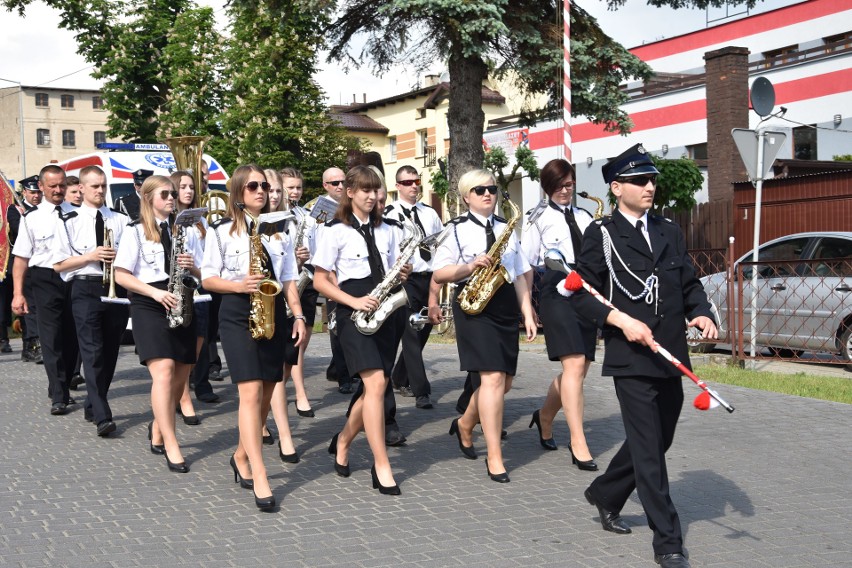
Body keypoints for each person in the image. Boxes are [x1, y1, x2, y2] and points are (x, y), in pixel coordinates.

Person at [571, 144, 717, 568]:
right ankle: (668, 543)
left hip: (671, 352)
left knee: (659, 439)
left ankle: (605, 493)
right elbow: (580, 294)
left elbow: (688, 282)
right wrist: (619, 320)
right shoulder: (600, 234)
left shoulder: (668, 229)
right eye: (639, 180)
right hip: (631, 356)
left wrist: (702, 312)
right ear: (617, 188)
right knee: (650, 451)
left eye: (652, 179)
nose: (649, 186)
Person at [201, 164, 305, 511]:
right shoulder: (221, 231)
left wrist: (300, 315)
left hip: (273, 310)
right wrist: (237, 285)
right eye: (252, 187)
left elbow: (289, 277)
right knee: (248, 392)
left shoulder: (280, 231)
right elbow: (208, 278)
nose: (260, 191)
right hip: (235, 311)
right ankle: (259, 473)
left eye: (264, 186)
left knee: (268, 391)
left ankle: (241, 455)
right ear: (238, 192)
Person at [432, 169, 537, 483]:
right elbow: (439, 273)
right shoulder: (453, 230)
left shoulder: (507, 228)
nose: (488, 193)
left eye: (491, 189)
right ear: (466, 197)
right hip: (473, 305)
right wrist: (469, 265)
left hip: (504, 304)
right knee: (491, 379)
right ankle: (495, 455)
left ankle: (465, 423)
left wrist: (528, 312)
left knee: (504, 383)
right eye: (479, 190)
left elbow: (519, 274)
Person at [312, 165, 409, 495]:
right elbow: (320, 280)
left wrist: (403, 275)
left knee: (373, 390)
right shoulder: (333, 230)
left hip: (386, 312)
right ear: (349, 192)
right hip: (355, 315)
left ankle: (342, 441)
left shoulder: (390, 229)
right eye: (365, 190)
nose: (372, 196)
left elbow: (396, 271)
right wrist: (352, 301)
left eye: (375, 190)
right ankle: (381, 464)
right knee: (377, 382)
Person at [114, 175, 202, 472]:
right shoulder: (135, 232)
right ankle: (171, 441)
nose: (171, 198)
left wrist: (195, 267)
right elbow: (121, 275)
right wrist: (154, 292)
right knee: (163, 371)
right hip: (149, 302)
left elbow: (205, 273)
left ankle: (157, 425)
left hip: (181, 299)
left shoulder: (184, 231)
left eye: (173, 193)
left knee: (181, 373)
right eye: (165, 193)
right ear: (149, 198)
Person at [521, 158, 598, 469]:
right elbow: (525, 267)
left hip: (586, 291)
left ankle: (545, 415)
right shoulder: (535, 219)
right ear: (547, 187)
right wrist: (527, 309)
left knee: (580, 369)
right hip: (556, 291)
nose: (565, 190)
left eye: (569, 184)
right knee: (574, 363)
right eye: (559, 185)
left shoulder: (585, 216)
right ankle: (578, 440)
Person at [53, 166, 130, 436]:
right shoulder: (68, 220)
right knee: (92, 352)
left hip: (115, 289)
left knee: (110, 353)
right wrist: (90, 256)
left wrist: (119, 255)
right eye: (94, 186)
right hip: (85, 287)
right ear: (82, 188)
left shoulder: (120, 220)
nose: (99, 191)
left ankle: (92, 403)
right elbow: (59, 264)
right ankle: (102, 415)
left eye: (103, 186)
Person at [12, 167, 79, 415]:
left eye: (61, 185)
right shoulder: (32, 219)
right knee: (51, 338)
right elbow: (21, 259)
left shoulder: (78, 214)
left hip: (74, 278)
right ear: (41, 187)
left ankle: (63, 382)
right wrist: (18, 293)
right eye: (52, 186)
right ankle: (59, 395)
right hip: (45, 279)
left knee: (73, 338)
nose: (58, 190)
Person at [384, 165, 444, 410]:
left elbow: (441, 245)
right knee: (411, 331)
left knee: (423, 331)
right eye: (407, 182)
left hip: (428, 278)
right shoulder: (390, 213)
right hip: (405, 280)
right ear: (397, 186)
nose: (413, 186)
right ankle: (421, 390)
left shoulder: (429, 213)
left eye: (416, 181)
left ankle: (399, 377)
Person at [279, 167, 317, 417]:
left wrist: (306, 257)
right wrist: (293, 258)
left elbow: (315, 246)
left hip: (306, 281)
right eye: (290, 187)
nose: (295, 191)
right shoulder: (272, 216)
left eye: (298, 187)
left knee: (302, 343)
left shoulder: (306, 215)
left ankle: (291, 390)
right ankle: (298, 393)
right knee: (290, 345)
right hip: (284, 284)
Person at [169, 170, 206, 424]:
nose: (188, 191)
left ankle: (182, 387)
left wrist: (197, 269)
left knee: (198, 344)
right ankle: (182, 397)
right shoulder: (168, 220)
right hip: (177, 288)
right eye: (182, 186)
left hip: (200, 285)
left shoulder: (200, 222)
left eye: (191, 186)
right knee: (179, 347)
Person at [3, 176, 40, 358]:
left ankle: (30, 346)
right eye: (32, 192)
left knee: (36, 307)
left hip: (40, 263)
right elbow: (17, 230)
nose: (36, 196)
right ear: (24, 192)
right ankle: (32, 345)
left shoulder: (44, 210)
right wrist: (28, 218)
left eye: (38, 192)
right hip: (23, 264)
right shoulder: (15, 209)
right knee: (28, 306)